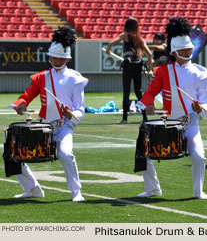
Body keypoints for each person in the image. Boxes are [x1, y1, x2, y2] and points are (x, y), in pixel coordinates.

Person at [135, 17, 207, 199]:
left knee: (199, 156)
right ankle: (153, 188)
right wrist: (149, 104)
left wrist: (200, 108)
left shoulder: (201, 73)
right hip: (167, 120)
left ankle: (198, 191)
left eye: (189, 48)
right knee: (143, 151)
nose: (188, 51)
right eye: (183, 49)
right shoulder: (164, 71)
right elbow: (151, 91)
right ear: (175, 52)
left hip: (190, 122)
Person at [11, 26, 88, 202]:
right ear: (49, 56)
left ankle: (76, 191)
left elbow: (80, 108)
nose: (57, 60)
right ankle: (32, 188)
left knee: (65, 153)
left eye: (61, 58)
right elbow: (27, 95)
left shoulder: (75, 79)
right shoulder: (42, 77)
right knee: (14, 153)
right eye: (54, 57)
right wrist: (21, 105)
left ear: (67, 58)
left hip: (64, 127)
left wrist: (71, 115)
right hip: (44, 126)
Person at [106, 17, 153, 124]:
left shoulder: (125, 35)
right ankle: (145, 117)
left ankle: (125, 118)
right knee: (138, 92)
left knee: (126, 92)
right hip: (138, 64)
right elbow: (149, 54)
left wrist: (108, 50)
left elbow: (110, 44)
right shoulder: (140, 39)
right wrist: (150, 70)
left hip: (128, 65)